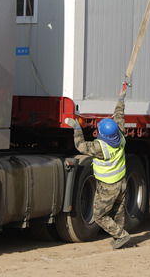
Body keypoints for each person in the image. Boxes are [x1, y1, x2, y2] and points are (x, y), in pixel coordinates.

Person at [65, 84, 131, 249]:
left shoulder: (100, 148)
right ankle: (120, 237)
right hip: (121, 181)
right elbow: (119, 114)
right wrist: (121, 98)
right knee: (118, 211)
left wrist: (76, 128)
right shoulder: (120, 135)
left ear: (101, 134)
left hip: (108, 186)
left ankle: (121, 235)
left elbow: (80, 146)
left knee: (99, 215)